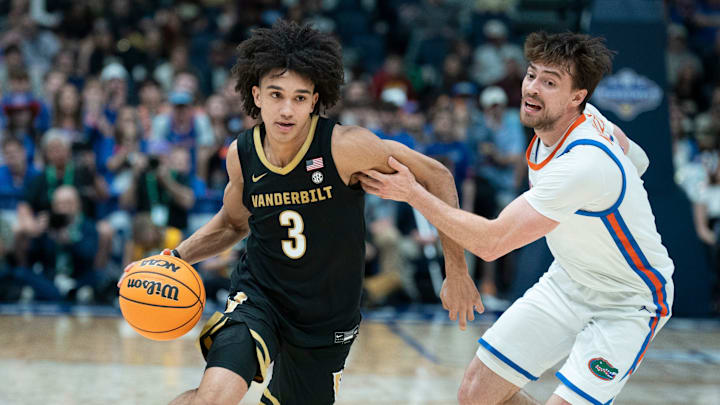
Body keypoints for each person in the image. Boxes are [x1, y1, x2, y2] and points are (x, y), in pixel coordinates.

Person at [118, 20, 478, 405]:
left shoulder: (346, 147)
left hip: (326, 318)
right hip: (261, 296)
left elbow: (438, 177)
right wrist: (173, 258)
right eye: (276, 94)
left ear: (315, 100)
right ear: (256, 95)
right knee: (214, 397)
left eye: (300, 98)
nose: (287, 109)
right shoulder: (243, 154)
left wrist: (456, 270)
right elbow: (233, 223)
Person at [360, 31, 673, 405]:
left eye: (550, 82)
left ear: (578, 96)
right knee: (476, 394)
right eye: (531, 74)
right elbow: (639, 161)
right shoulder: (585, 118)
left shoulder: (583, 163)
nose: (532, 88)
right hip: (569, 279)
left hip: (628, 300)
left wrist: (412, 193)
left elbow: (491, 243)